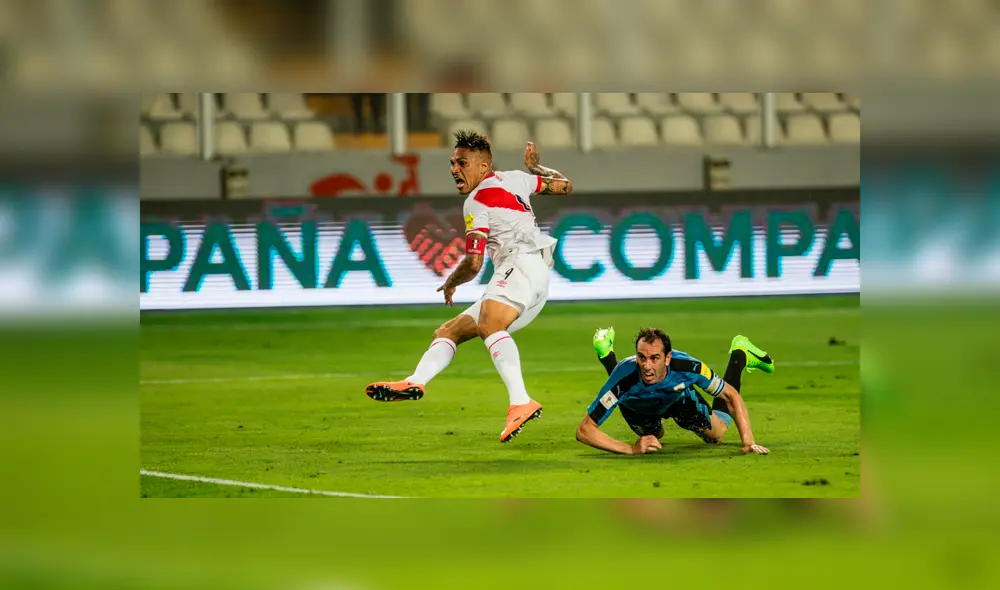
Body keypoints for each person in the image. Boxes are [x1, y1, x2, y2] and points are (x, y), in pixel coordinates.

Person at [366, 130, 573, 442]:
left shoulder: (476, 202)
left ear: (483, 167)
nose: (453, 169)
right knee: (449, 331)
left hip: (520, 266)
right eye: (452, 162)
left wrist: (451, 282)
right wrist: (535, 169)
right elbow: (565, 185)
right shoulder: (516, 178)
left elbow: (474, 262)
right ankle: (416, 381)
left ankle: (520, 401)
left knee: (490, 324)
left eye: (462, 163)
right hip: (533, 275)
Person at [575, 327, 774, 455]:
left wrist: (748, 442)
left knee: (716, 435)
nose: (646, 365)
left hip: (678, 399)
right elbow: (585, 430)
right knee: (653, 437)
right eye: (641, 357)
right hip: (638, 405)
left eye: (654, 358)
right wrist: (630, 449)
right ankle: (607, 355)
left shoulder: (689, 367)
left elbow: (730, 396)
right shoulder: (624, 379)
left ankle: (740, 352)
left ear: (668, 358)